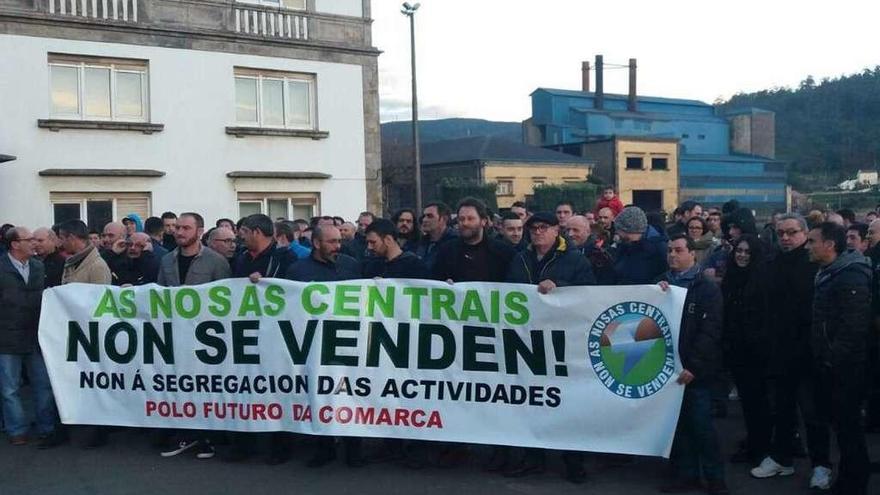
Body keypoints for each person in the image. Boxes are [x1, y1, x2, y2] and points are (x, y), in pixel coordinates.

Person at [503, 212, 595, 483]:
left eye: (544, 228)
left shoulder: (575, 259)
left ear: (557, 231)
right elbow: (507, 291)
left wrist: (560, 287)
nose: (538, 232)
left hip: (564, 341)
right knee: (532, 401)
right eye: (534, 228)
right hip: (529, 340)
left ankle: (573, 461)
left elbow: (590, 292)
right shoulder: (521, 258)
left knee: (567, 402)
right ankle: (534, 458)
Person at [751, 213, 833, 491]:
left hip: (809, 352)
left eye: (791, 232)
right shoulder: (771, 264)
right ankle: (781, 458)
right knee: (782, 410)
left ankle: (821, 465)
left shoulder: (814, 264)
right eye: (781, 233)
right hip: (778, 350)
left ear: (804, 233)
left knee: (813, 413)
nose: (785, 238)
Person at [285, 225, 364, 468]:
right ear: (317, 243)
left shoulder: (351, 265)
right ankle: (325, 447)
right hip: (315, 344)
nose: (337, 246)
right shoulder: (297, 271)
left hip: (349, 342)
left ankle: (354, 449)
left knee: (351, 394)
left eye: (338, 241)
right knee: (319, 394)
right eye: (331, 242)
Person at [156, 212, 230, 461]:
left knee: (206, 388)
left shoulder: (216, 261)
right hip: (177, 336)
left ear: (199, 231)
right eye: (177, 227)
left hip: (208, 338)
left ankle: (209, 437)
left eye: (185, 228)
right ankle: (187, 433)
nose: (179, 232)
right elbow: (159, 296)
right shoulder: (167, 260)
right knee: (182, 386)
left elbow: (229, 301)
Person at [657, 235, 728, 495]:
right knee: (679, 427)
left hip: (696, 371)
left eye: (678, 250)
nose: (672, 255)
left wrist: (694, 366)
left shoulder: (706, 287)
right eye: (669, 251)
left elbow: (711, 331)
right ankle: (686, 476)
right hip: (670, 370)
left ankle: (715, 478)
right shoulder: (662, 284)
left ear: (692, 254)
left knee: (702, 427)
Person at [807, 222, 871, 495]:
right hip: (831, 364)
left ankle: (854, 484)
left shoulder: (851, 276)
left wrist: (833, 358)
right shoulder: (828, 273)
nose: (807, 247)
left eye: (812, 241)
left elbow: (853, 327)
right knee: (842, 427)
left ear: (829, 245)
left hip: (847, 367)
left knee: (849, 428)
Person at [0, 227, 61, 449]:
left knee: (43, 385)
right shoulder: (1, 268)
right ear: (15, 244)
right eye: (29, 240)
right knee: (10, 388)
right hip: (6, 338)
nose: (34, 243)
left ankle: (46, 427)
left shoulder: (37, 266)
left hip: (36, 336)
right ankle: (17, 430)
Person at [57, 219, 112, 448]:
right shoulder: (72, 263)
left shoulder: (96, 266)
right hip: (76, 332)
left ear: (72, 237)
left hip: (91, 334)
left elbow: (100, 303)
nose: (59, 242)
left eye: (62, 237)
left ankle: (97, 431)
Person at [721, 235, 771, 465]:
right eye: (739, 250)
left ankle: (760, 447)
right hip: (736, 349)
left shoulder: (762, 280)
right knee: (748, 403)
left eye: (747, 252)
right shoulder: (732, 277)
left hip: (757, 351)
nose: (742, 255)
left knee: (758, 402)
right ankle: (754, 441)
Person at [433, 198, 516, 284]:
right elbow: (435, 281)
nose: (465, 223)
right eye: (461, 219)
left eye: (470, 219)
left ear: (483, 221)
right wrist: (443, 284)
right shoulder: (446, 252)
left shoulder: (504, 253)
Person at [609, 206, 667, 285]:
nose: (618, 233)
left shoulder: (659, 249)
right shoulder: (623, 247)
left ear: (627, 229)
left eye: (618, 230)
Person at [233, 214, 297, 281]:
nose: (242, 236)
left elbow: (290, 286)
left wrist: (264, 281)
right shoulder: (241, 255)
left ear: (257, 232)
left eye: (245, 231)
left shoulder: (285, 257)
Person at [363, 219, 428, 279]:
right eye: (368, 242)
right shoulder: (373, 267)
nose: (369, 247)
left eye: (373, 242)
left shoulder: (415, 266)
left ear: (388, 240)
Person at [416, 202, 457, 272]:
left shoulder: (455, 242)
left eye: (430, 216)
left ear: (444, 219)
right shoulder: (421, 242)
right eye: (424, 216)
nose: (424, 220)